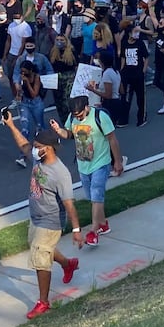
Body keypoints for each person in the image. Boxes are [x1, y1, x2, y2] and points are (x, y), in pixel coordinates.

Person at [0, 109, 81, 320]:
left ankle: (43, 302)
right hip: (36, 216)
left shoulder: (60, 173)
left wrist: (76, 230)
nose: (33, 150)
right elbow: (24, 145)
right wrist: (11, 125)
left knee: (39, 258)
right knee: (42, 250)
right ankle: (68, 264)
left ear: (48, 149)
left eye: (37, 148)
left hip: (51, 220)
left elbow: (69, 204)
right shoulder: (39, 159)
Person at [52, 95, 122, 247]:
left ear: (86, 107)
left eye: (80, 114)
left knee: (97, 194)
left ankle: (93, 232)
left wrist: (118, 161)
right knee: (93, 199)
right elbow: (69, 134)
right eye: (75, 115)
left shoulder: (100, 116)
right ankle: (103, 224)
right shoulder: (73, 118)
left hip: (101, 163)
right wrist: (59, 131)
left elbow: (112, 139)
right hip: (83, 164)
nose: (78, 117)